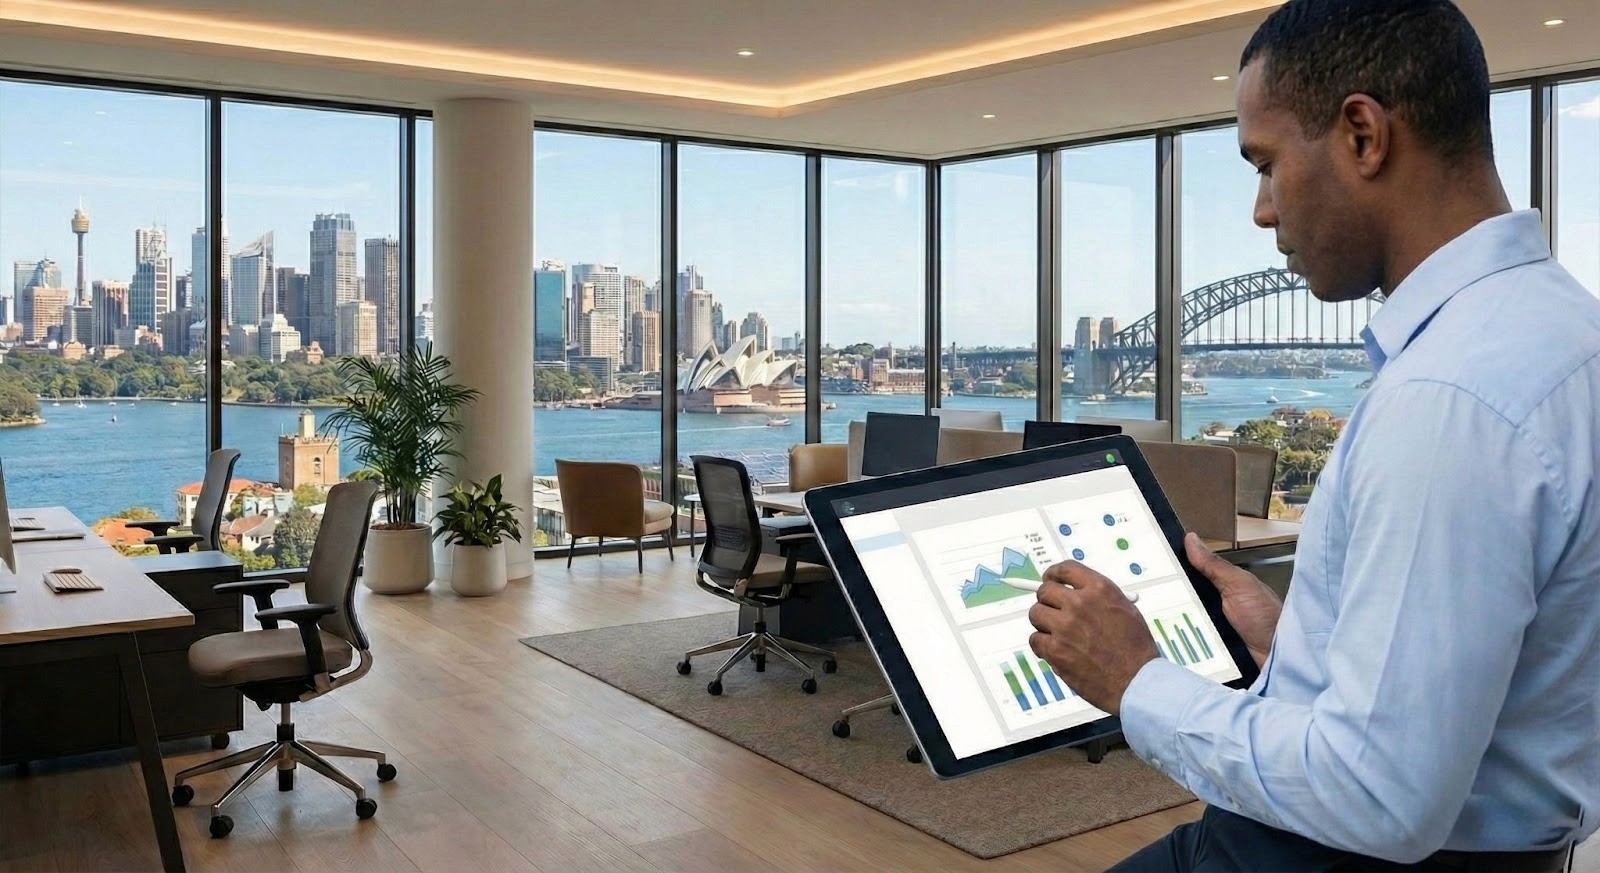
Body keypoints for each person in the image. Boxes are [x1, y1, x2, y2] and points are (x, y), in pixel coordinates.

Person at [1026, 0, 1600, 869]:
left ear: (1363, 135)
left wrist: (1136, 677)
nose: (1261, 211)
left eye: (1266, 164)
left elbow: (1379, 797)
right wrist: (1303, 643)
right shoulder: (1562, 334)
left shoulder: (1449, 397)